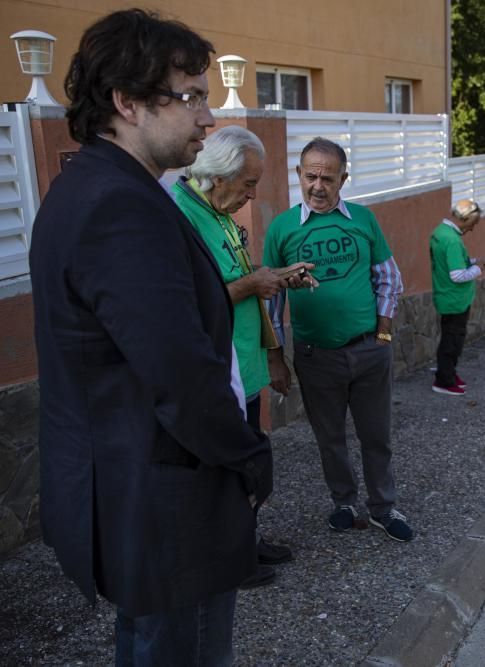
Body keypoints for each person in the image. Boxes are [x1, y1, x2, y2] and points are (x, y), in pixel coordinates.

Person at [29, 9, 273, 664]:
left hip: (144, 494)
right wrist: (249, 454)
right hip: (165, 508)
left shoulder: (96, 186)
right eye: (190, 95)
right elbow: (180, 370)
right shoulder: (119, 204)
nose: (207, 117)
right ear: (127, 102)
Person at [173, 125, 314, 588]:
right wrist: (254, 283)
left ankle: (245, 543)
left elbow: (238, 280)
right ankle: (229, 559)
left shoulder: (219, 213)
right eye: (248, 184)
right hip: (216, 373)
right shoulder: (180, 216)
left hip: (244, 365)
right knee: (226, 470)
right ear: (217, 176)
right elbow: (191, 301)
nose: (251, 196)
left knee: (247, 465)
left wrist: (273, 278)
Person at [264, 137, 413, 542]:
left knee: (376, 435)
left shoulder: (363, 220)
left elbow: (389, 277)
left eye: (327, 178)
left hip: (368, 349)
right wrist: (276, 358)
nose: (317, 185)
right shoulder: (281, 228)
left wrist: (383, 331)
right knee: (329, 438)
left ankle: (383, 507)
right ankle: (344, 502)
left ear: (343, 179)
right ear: (298, 175)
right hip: (315, 357)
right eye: (310, 176)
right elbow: (271, 301)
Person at [429, 198, 485, 396]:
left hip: (445, 296)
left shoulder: (440, 232)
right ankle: (444, 380)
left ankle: (449, 373)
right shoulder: (453, 240)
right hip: (455, 299)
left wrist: (472, 261)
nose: (472, 229)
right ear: (464, 220)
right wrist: (478, 268)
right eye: (473, 225)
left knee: (450, 338)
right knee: (452, 341)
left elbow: (450, 263)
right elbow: (457, 275)